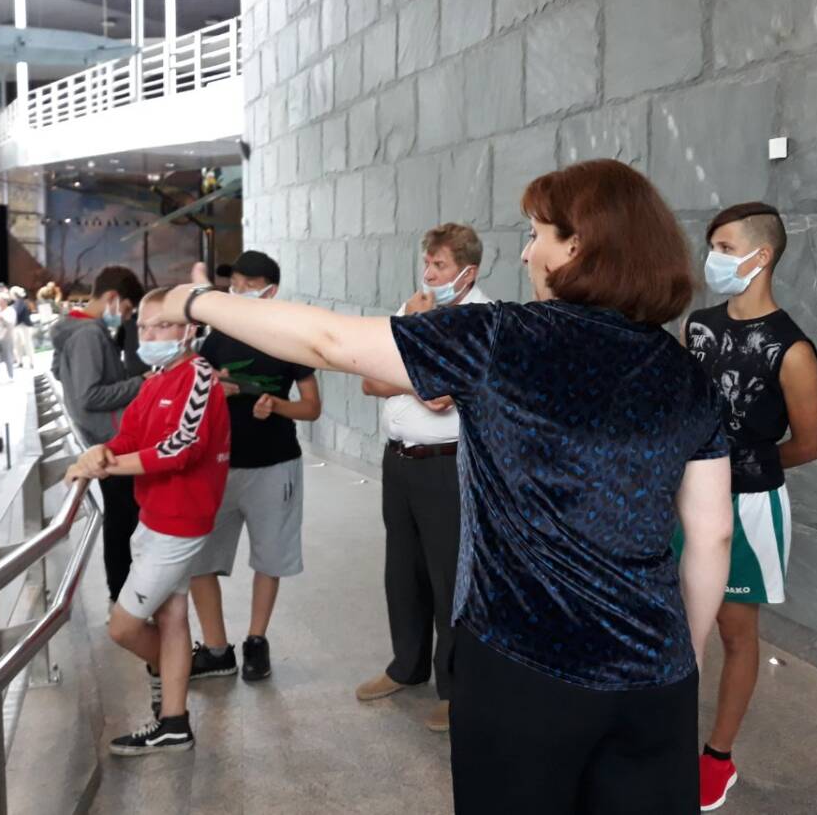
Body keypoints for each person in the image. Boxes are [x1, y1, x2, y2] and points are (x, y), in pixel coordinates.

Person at [153, 159, 733, 814]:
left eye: (537, 234)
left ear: (577, 246)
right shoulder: (686, 373)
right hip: (655, 671)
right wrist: (684, 655)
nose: (526, 253)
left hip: (525, 667)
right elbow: (712, 533)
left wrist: (195, 301)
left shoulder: (501, 337)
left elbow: (327, 341)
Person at [672, 202, 817, 810]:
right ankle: (659, 736)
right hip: (681, 499)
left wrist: (737, 469)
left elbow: (809, 444)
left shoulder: (792, 348)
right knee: (674, 622)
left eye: (726, 248)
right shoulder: (697, 326)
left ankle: (718, 757)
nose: (714, 258)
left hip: (750, 507)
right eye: (712, 245)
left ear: (761, 256)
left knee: (735, 632)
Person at [66, 287, 230, 755]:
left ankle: (169, 676)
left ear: (189, 330)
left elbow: (181, 448)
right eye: (144, 327)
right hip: (153, 515)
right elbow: (130, 435)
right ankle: (174, 721)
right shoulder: (157, 378)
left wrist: (106, 466)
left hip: (180, 523)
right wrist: (101, 452)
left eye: (163, 326)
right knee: (172, 616)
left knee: (122, 627)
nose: (150, 336)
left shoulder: (199, 378)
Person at [356, 224, 490, 733]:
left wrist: (406, 369)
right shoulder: (413, 309)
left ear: (467, 272)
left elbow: (443, 397)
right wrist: (414, 370)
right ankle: (405, 665)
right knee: (403, 569)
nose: (429, 274)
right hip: (399, 460)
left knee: (449, 575)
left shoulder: (480, 319)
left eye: (440, 265)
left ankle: (457, 688)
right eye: (427, 263)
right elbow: (369, 379)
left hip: (447, 464)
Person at [187, 251, 322, 683]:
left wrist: (277, 405)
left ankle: (256, 641)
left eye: (248, 284)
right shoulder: (216, 339)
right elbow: (193, 399)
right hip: (217, 466)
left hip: (275, 463)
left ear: (270, 290)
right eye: (234, 283)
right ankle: (216, 648)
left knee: (269, 557)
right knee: (198, 558)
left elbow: (312, 407)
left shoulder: (289, 337)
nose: (238, 290)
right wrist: (215, 392)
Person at [51, 265, 146, 603]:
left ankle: (121, 595)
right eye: (127, 309)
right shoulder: (89, 335)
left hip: (98, 434)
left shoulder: (72, 329)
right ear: (112, 298)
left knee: (121, 518)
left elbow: (60, 373)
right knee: (122, 521)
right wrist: (141, 384)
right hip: (109, 438)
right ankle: (121, 595)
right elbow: (89, 395)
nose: (126, 317)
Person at [0, 292, 17, 383]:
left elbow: (11, 324)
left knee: (8, 357)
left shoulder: (11, 311)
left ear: (5, 301)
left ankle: (11, 376)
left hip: (6, 338)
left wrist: (2, 318)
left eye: (1, 300)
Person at [11, 286, 36, 368]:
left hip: (23, 326)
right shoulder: (19, 302)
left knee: (26, 344)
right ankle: (21, 361)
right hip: (19, 326)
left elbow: (18, 314)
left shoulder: (20, 302)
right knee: (19, 344)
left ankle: (30, 362)